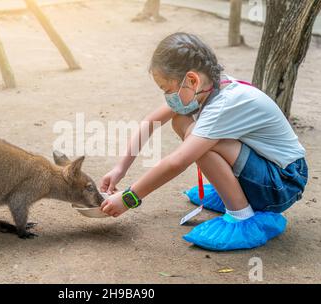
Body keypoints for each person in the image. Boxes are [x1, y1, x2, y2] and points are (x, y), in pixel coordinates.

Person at [99, 32, 308, 251]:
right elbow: (150, 122)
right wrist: (119, 169)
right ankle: (231, 191)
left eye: (167, 89)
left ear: (192, 80)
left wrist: (129, 198)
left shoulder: (224, 104)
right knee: (182, 120)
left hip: (283, 183)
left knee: (199, 143)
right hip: (271, 171)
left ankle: (241, 216)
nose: (167, 96)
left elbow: (177, 162)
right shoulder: (210, 86)